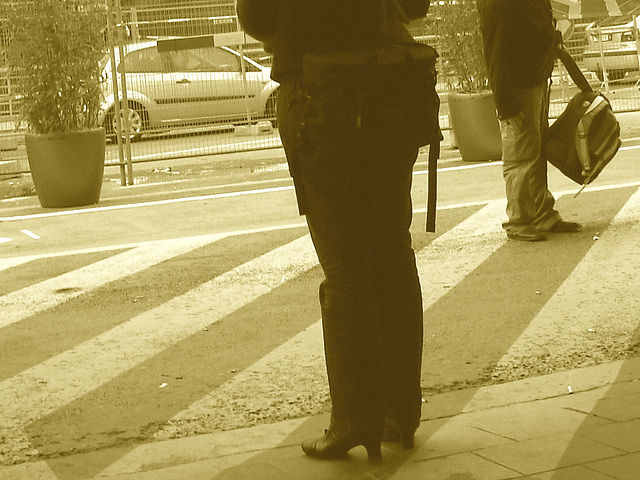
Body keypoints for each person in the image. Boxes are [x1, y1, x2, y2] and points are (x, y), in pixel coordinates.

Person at [237, 0, 432, 461]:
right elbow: (416, 4)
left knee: (346, 268)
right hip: (391, 91)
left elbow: (256, 16)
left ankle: (353, 419)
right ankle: (400, 412)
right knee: (393, 253)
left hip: (321, 98)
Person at [477, 0, 582, 242]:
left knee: (534, 149)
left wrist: (552, 38)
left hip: (534, 78)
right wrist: (505, 104)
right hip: (518, 85)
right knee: (520, 154)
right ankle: (520, 219)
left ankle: (541, 212)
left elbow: (534, 25)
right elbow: (495, 49)